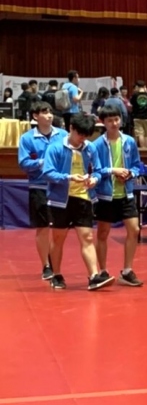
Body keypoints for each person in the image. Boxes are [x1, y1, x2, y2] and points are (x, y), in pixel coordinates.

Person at [42, 112, 115, 291]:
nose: (82, 138)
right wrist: (69, 177)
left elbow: (98, 170)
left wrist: (94, 179)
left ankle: (94, 276)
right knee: (58, 238)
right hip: (60, 201)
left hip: (83, 198)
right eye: (79, 134)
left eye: (86, 135)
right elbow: (48, 172)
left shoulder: (90, 148)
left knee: (87, 237)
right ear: (71, 128)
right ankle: (57, 275)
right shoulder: (55, 148)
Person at [92, 106, 144, 287]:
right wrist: (113, 171)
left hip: (126, 194)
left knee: (134, 229)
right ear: (103, 122)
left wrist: (130, 173)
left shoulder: (129, 141)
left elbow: (137, 165)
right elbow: (96, 170)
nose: (114, 123)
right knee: (103, 233)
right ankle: (103, 271)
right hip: (106, 195)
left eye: (116, 119)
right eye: (109, 120)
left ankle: (127, 271)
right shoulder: (97, 145)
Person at [18, 102, 68, 280]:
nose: (49, 115)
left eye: (50, 112)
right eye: (44, 112)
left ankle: (55, 263)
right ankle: (46, 265)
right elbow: (23, 163)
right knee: (43, 227)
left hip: (59, 186)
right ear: (35, 116)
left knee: (59, 229)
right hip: (38, 187)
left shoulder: (63, 135)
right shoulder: (27, 138)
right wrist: (42, 162)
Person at [131, 81, 147, 148]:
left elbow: (132, 103)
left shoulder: (134, 95)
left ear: (137, 86)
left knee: (140, 134)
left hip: (137, 117)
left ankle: (143, 149)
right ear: (144, 86)